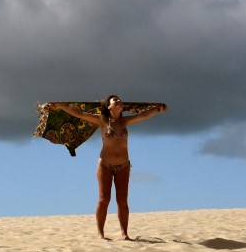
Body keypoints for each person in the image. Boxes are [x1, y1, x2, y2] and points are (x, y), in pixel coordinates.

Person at [47, 96, 167, 239]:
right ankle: (100, 233)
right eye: (115, 100)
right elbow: (79, 114)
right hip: (105, 164)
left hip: (123, 165)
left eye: (120, 100)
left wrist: (158, 110)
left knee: (122, 200)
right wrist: (60, 105)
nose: (119, 101)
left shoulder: (125, 121)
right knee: (104, 199)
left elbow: (143, 115)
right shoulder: (102, 120)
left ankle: (124, 234)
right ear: (108, 106)